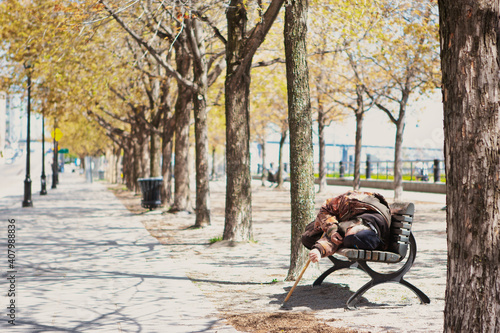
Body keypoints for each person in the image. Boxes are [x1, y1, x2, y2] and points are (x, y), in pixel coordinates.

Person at [301, 190, 392, 263]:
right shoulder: (353, 201)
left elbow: (338, 240)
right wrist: (332, 229)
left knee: (308, 238)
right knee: (310, 233)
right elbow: (327, 208)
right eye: (348, 229)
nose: (346, 232)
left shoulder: (374, 236)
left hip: (346, 222)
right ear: (357, 223)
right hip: (342, 214)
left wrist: (319, 250)